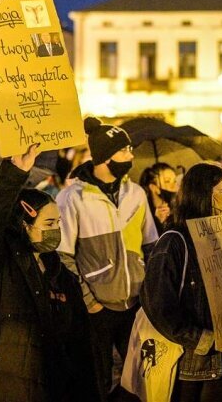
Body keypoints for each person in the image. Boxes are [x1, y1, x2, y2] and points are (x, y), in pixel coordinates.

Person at [0, 144, 99, 401]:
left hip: (54, 383)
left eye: (58, 223)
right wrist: (14, 172)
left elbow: (80, 345)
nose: (56, 230)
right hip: (8, 383)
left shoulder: (61, 274)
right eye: (48, 224)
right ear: (24, 226)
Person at [57, 117, 158, 400]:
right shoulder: (72, 198)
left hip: (135, 304)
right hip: (97, 310)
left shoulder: (136, 193)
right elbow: (63, 257)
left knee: (139, 379)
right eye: (124, 150)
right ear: (104, 157)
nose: (131, 155)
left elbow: (150, 245)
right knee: (96, 381)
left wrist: (148, 293)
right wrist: (90, 303)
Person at [141, 162, 222, 401]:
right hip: (192, 367)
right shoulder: (174, 241)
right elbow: (158, 305)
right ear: (202, 193)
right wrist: (204, 340)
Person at [138, 162, 179, 230]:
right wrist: (159, 223)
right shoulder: (143, 214)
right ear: (153, 187)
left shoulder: (178, 210)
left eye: (174, 181)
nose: (174, 186)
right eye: (167, 181)